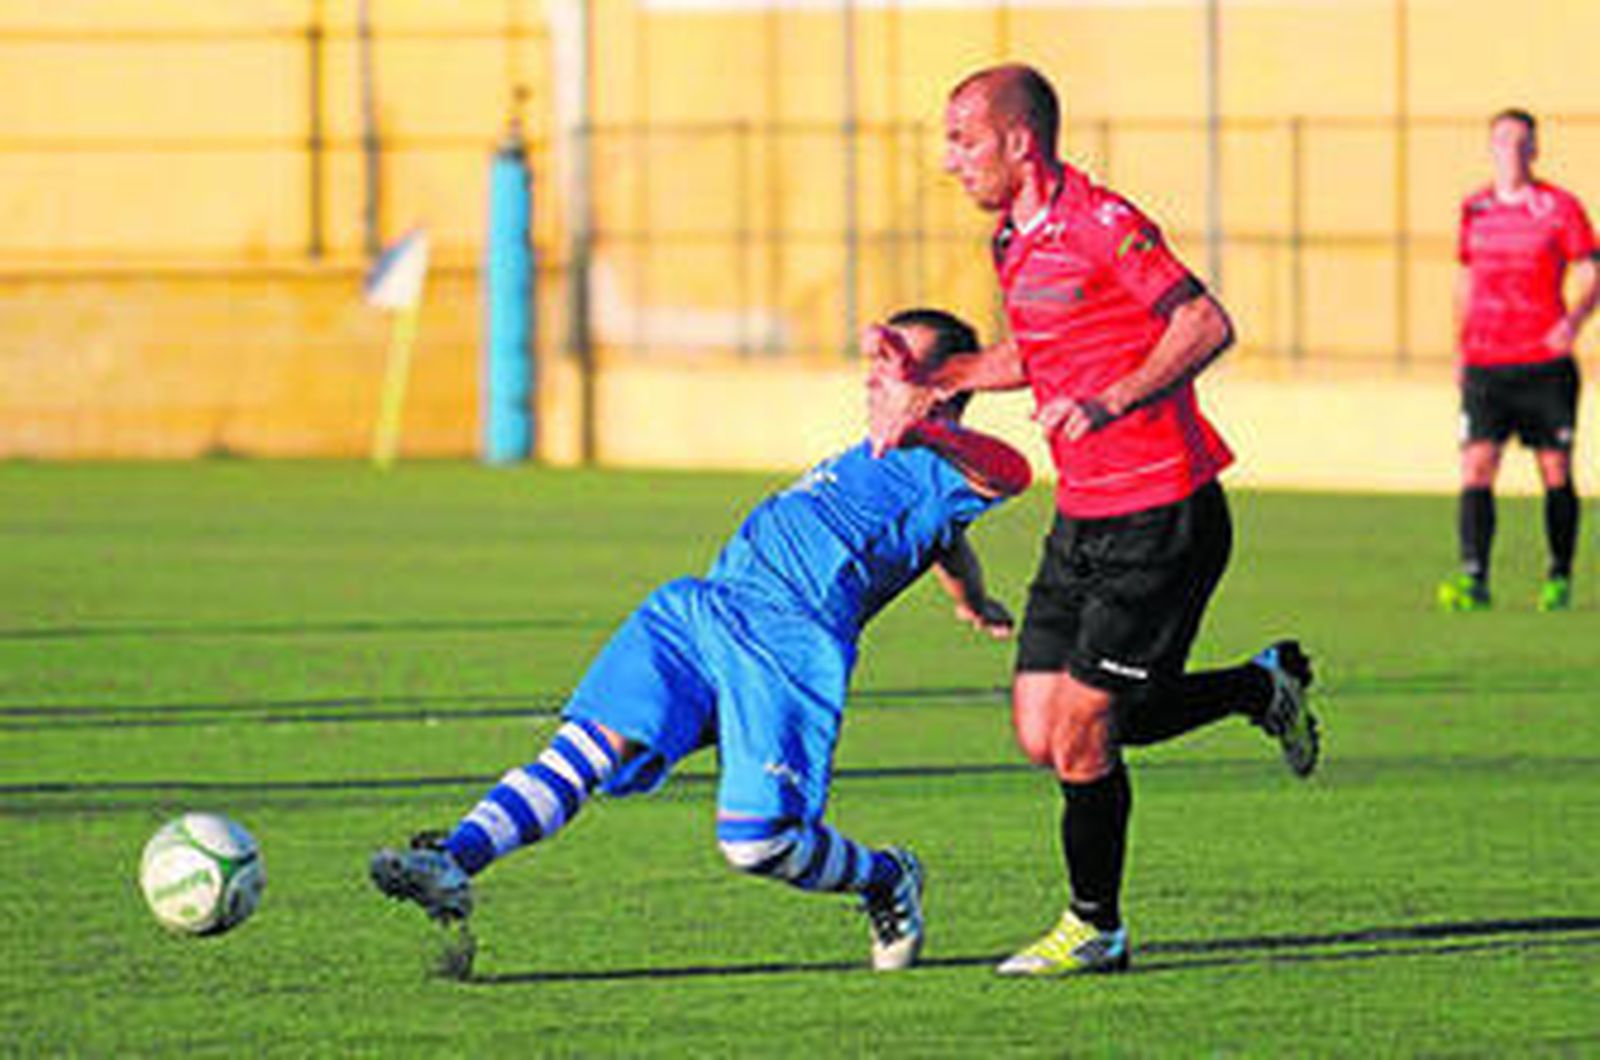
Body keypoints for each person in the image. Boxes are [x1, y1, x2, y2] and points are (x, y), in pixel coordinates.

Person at [370, 308, 1031, 977]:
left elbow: (1009, 474)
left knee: (757, 843)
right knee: (586, 750)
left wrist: (924, 430)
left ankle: (886, 878)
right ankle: (453, 858)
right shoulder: (884, 456)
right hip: (703, 609)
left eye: (901, 368)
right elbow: (943, 540)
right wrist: (970, 596)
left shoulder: (944, 463)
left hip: (788, 648)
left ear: (944, 388)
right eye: (878, 366)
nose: (876, 381)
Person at [868, 63, 1319, 978]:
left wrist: (1109, 401)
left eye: (964, 140)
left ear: (1019, 142)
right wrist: (939, 382)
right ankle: (1256, 687)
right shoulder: (1011, 241)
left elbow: (1204, 324)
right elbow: (1037, 355)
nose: (950, 160)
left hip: (1163, 513)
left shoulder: (1100, 223)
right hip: (1084, 519)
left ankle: (1095, 928)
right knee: (1048, 731)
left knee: (1084, 725)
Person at [1437, 108, 1599, 613]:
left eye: (1522, 141)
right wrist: (1461, 347)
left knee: (1553, 469)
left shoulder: (1559, 208)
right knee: (1476, 466)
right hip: (1486, 363)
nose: (1513, 149)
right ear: (1491, 147)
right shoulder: (1475, 209)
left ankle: (1558, 576)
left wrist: (1571, 323)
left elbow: (1592, 273)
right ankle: (1474, 577)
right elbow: (1465, 283)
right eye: (1503, 140)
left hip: (1543, 364)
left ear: (1535, 149)